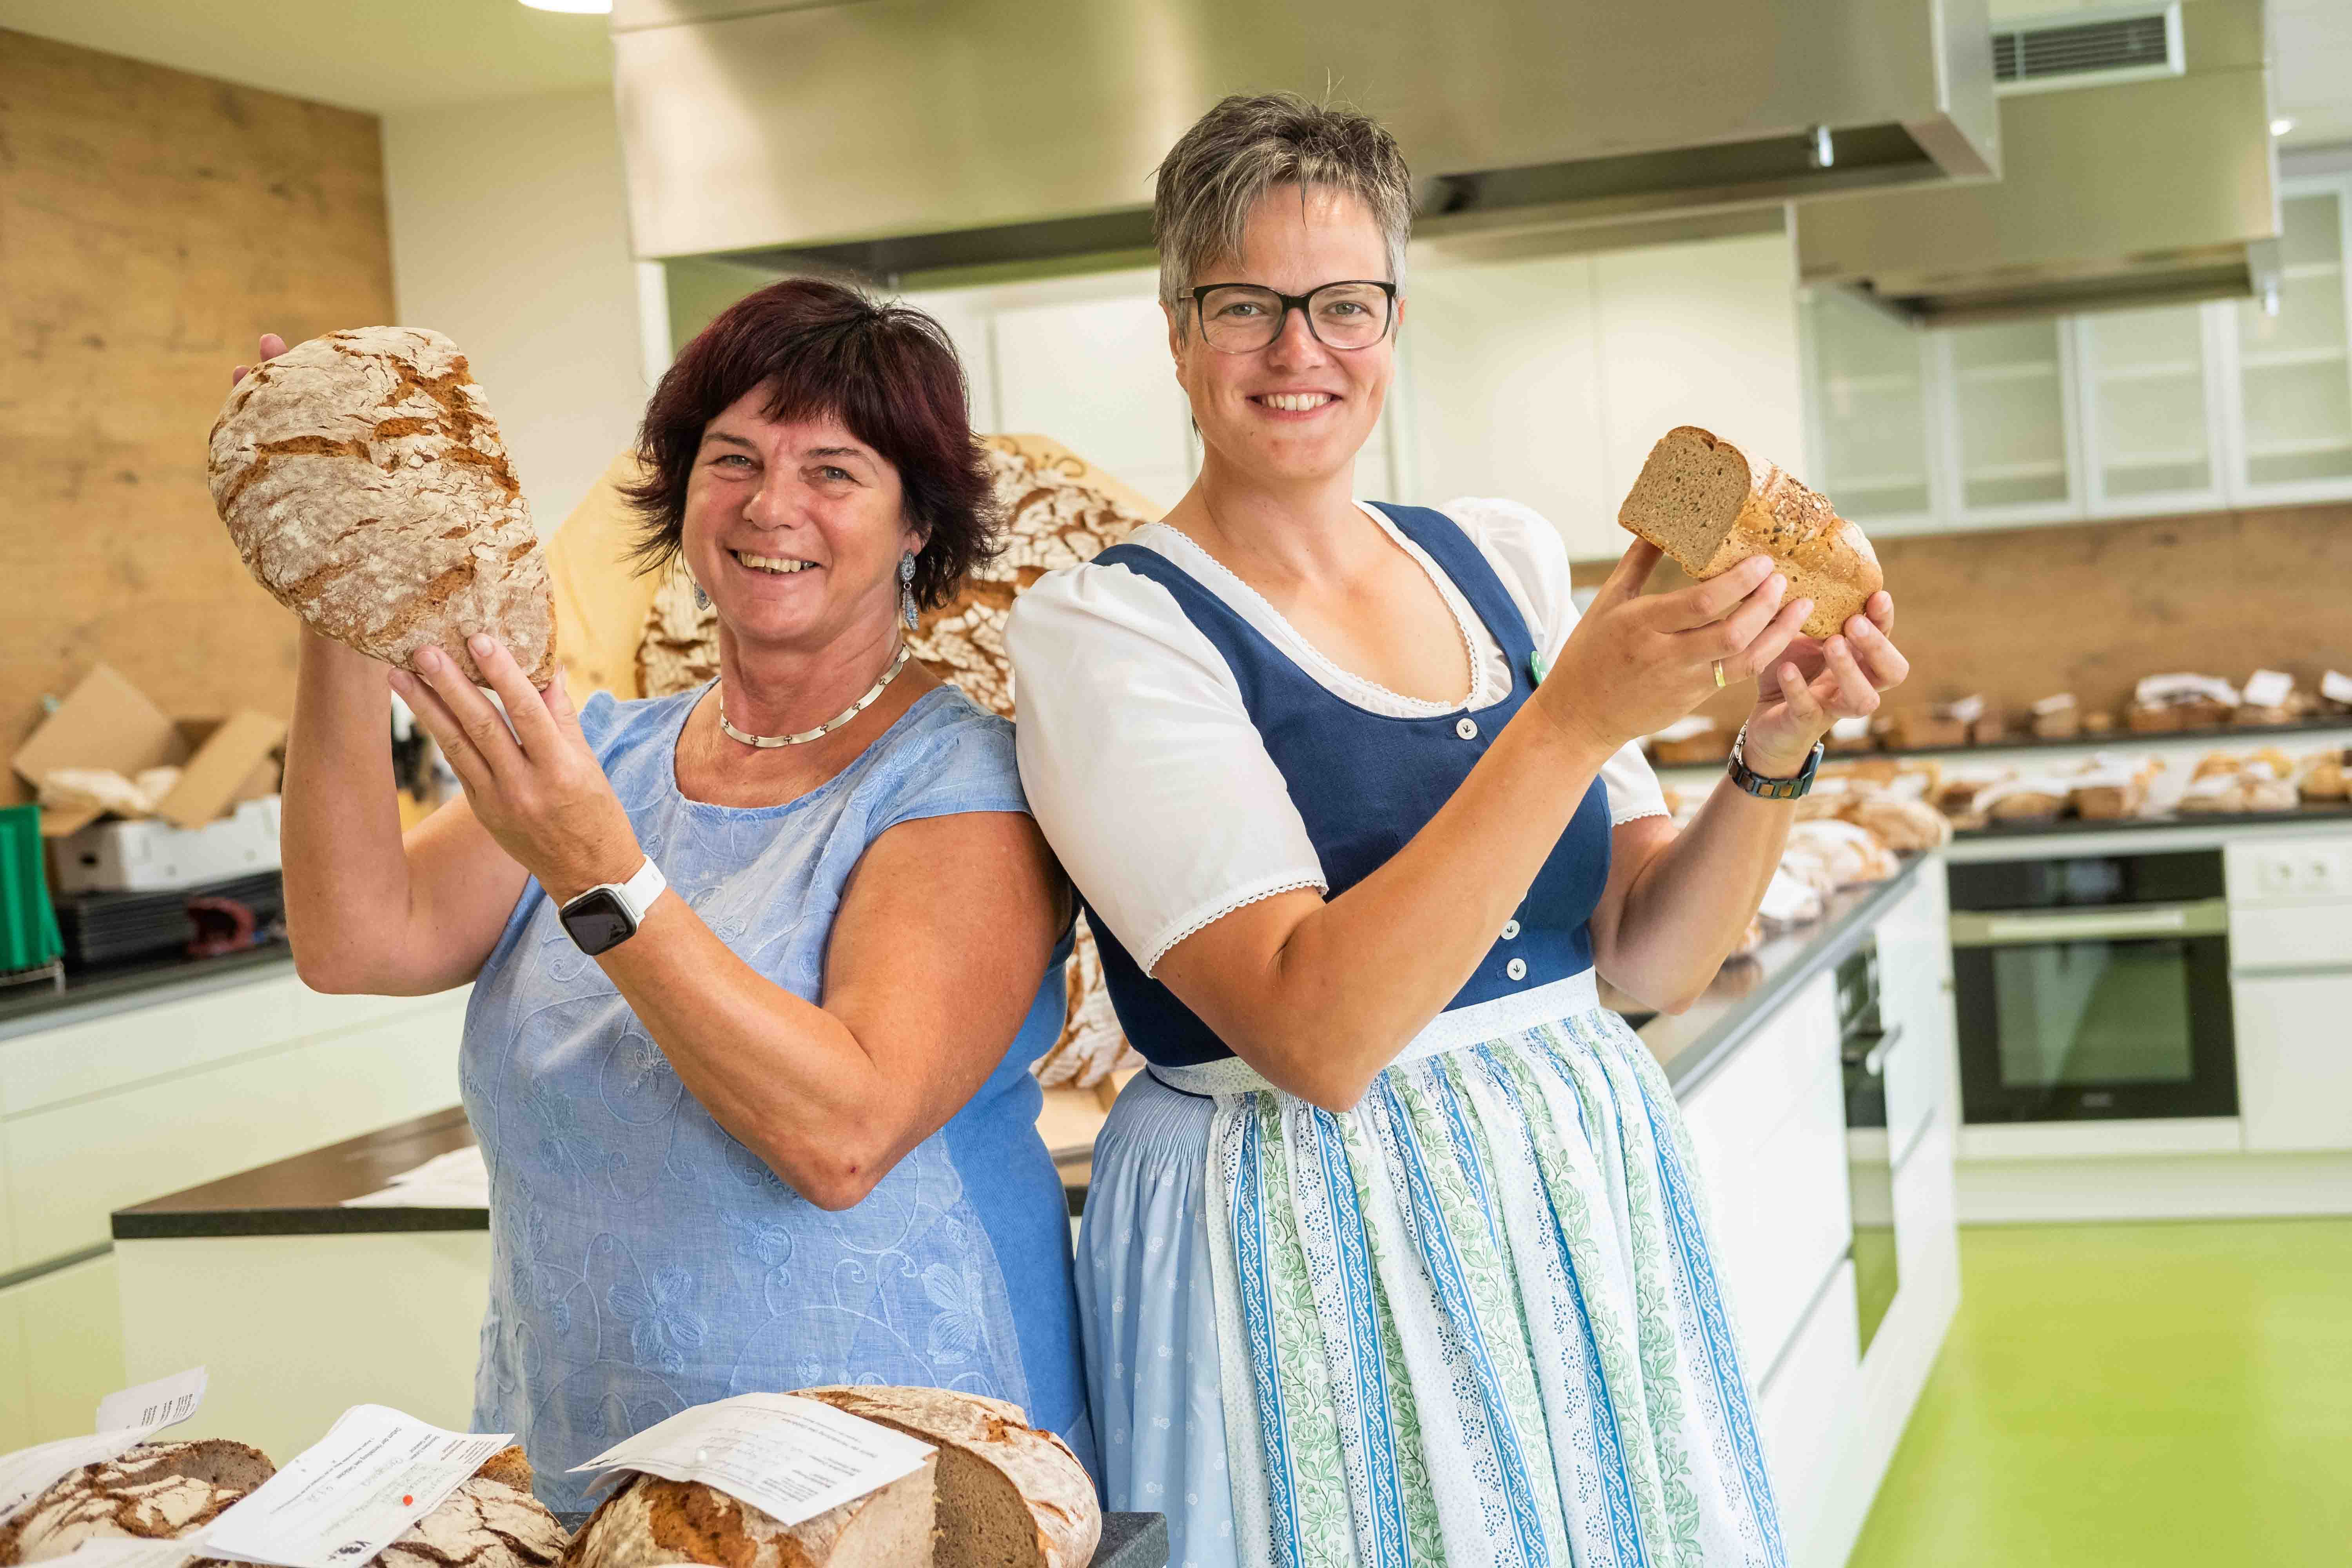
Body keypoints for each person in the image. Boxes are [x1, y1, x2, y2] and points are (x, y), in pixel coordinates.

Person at [1006, 95, 1911, 1568]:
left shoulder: (1494, 553)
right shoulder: (1110, 628)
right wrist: (1568, 723)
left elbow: (1646, 956)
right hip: (1303, 1229)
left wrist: (1776, 748)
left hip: (1576, 1184)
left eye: (1344, 305)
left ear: (1394, 317)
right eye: (1248, 307)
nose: (1301, 351)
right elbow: (1317, 1033)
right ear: (1178, 332)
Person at [241, 278, 1093, 1518]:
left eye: (835, 472)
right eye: (732, 458)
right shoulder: (604, 754)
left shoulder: (963, 780)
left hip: (890, 1482)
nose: (770, 506)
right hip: (590, 1459)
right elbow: (357, 937)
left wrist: (601, 872)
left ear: (919, 521)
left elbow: (840, 1136)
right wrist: (340, 583)